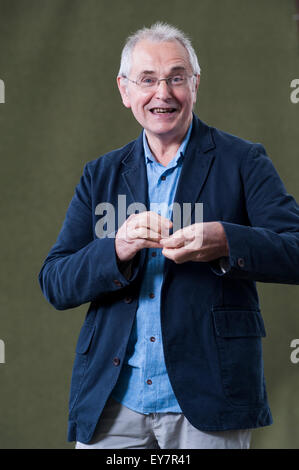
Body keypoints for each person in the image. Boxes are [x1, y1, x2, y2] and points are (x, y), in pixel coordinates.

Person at [38, 22, 299, 449]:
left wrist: (228, 240)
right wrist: (117, 249)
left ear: (194, 84)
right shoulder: (100, 175)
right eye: (148, 79)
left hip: (211, 398)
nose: (164, 92)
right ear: (125, 90)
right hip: (112, 402)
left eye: (176, 78)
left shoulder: (243, 161)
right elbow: (54, 281)